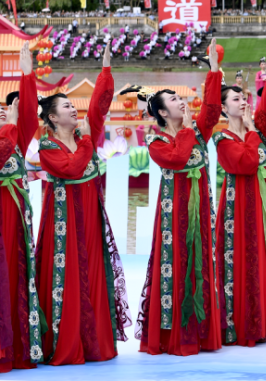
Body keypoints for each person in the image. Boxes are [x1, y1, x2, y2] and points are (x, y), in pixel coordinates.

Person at [36, 44, 130, 365]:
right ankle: (68, 343)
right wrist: (88, 140)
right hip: (65, 223)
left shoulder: (85, 130)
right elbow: (73, 168)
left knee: (93, 274)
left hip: (90, 217)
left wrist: (105, 70)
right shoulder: (48, 146)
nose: (73, 109)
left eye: (73, 105)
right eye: (65, 106)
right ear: (52, 117)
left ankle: (95, 343)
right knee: (70, 278)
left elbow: (100, 105)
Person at [134, 39, 222, 356]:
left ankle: (200, 333)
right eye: (173, 98)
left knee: (199, 265)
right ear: (161, 111)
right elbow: (178, 159)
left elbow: (212, 110)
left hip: (198, 212)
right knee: (174, 266)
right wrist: (185, 129)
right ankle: (174, 336)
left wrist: (214, 71)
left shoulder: (196, 130)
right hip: (173, 217)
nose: (180, 100)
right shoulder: (157, 141)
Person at [211, 37, 266, 346]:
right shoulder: (223, 137)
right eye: (235, 99)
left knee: (261, 256)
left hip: (261, 202)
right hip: (236, 206)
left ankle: (262, 321)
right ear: (222, 108)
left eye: (243, 97)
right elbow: (245, 164)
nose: (242, 102)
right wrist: (254, 134)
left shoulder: (254, 126)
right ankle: (239, 324)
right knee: (238, 260)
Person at [0, 43, 45, 369]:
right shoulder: (9, 136)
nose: (3, 111)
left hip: (14, 216)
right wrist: (10, 124)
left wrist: (27, 74)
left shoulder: (16, 135)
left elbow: (29, 113)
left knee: (15, 274)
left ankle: (15, 347)